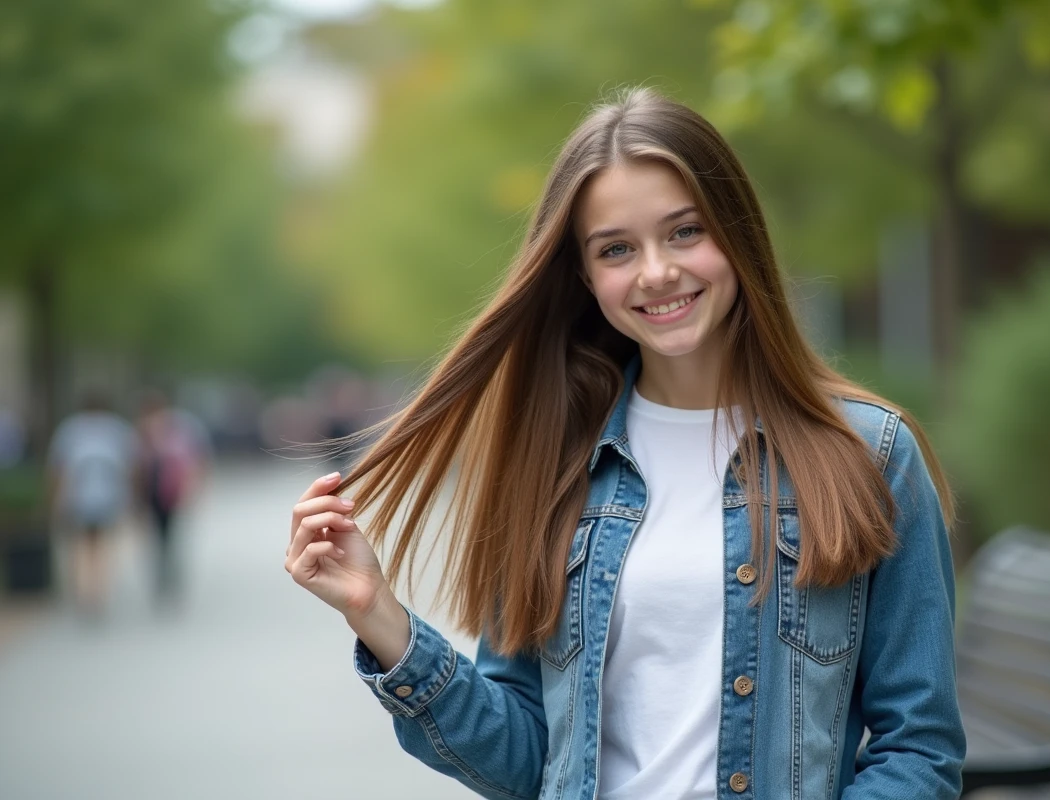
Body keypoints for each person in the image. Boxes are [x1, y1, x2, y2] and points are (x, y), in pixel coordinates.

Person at [285, 88, 965, 799]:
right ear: (585, 275)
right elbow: (527, 761)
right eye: (617, 248)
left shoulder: (870, 456)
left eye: (684, 232)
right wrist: (379, 616)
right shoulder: (553, 470)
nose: (657, 272)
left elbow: (917, 747)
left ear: (737, 234)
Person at [48, 392, 139, 619]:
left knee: (81, 547)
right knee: (102, 547)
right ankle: (98, 592)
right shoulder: (117, 429)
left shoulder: (70, 430)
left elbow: (58, 469)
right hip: (108, 498)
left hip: (78, 498)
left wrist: (56, 499)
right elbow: (131, 468)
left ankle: (85, 591)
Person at [136, 389, 211, 604]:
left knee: (168, 536)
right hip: (158, 493)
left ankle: (168, 576)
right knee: (162, 537)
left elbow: (196, 461)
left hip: (168, 492)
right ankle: (165, 575)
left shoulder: (177, 429)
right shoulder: (151, 432)